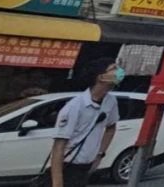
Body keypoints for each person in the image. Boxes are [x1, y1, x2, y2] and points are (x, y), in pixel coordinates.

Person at [49, 58, 122, 187]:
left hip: (86, 169)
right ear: (101, 77)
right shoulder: (75, 107)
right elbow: (58, 147)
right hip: (68, 168)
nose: (119, 72)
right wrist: (57, 183)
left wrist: (100, 154)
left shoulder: (111, 101)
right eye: (114, 69)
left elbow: (111, 128)